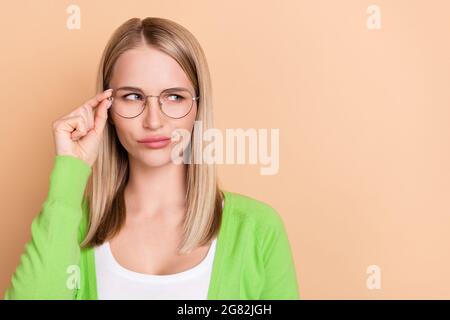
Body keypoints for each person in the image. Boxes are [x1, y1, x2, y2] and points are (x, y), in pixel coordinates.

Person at [3, 17, 299, 300]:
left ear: (199, 106)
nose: (154, 121)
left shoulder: (258, 229)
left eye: (174, 97)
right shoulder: (71, 225)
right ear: (105, 107)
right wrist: (70, 171)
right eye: (133, 97)